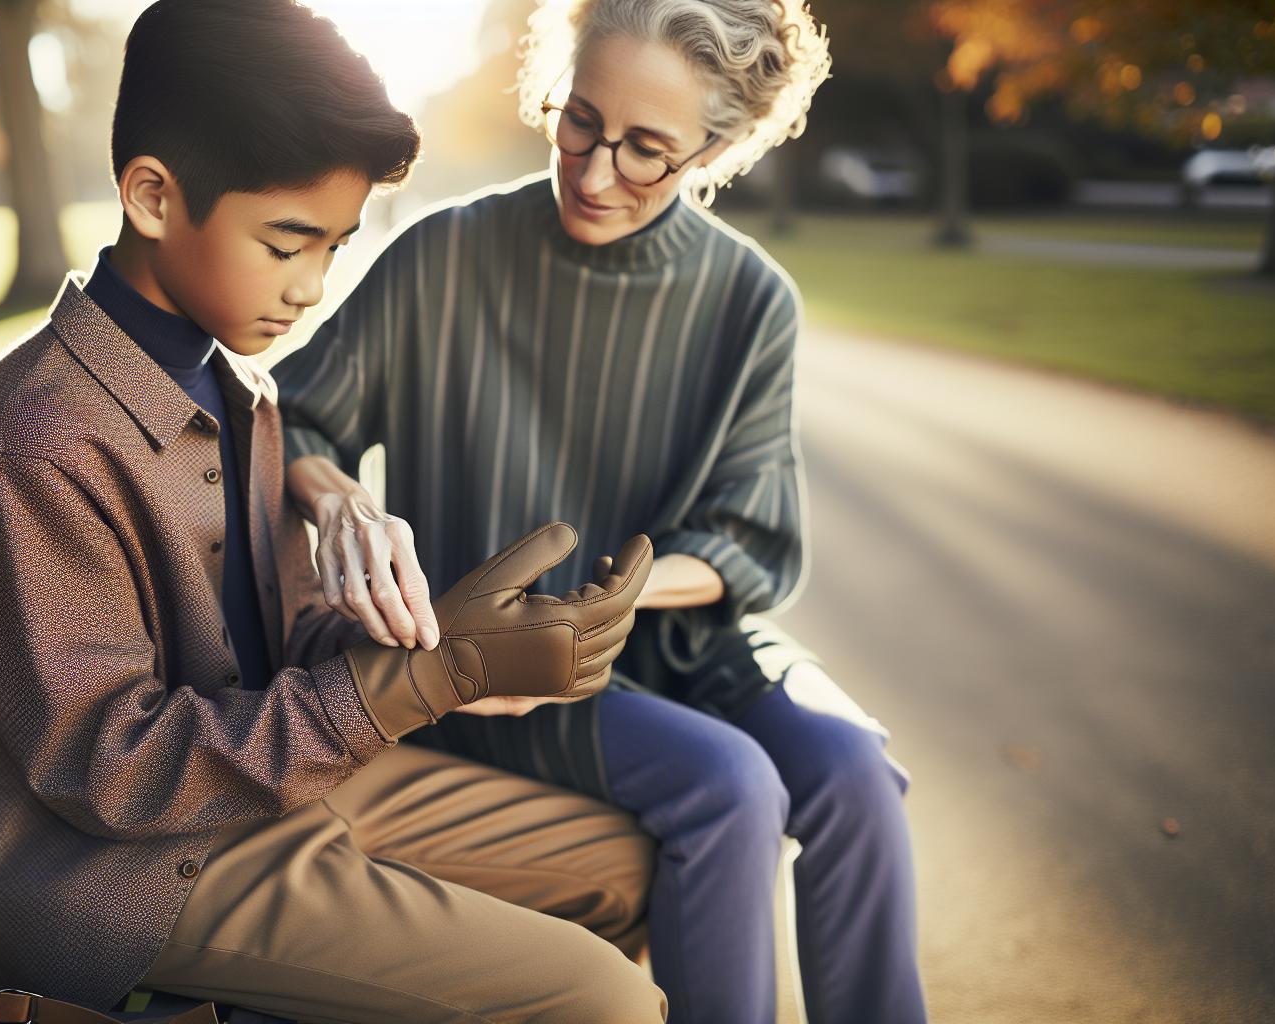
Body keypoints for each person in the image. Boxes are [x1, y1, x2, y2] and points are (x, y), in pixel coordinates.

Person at [0, 2, 667, 1021]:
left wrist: (452, 644)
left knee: (622, 864)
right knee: (601, 1003)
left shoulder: (240, 393)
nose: (312, 287)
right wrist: (418, 680)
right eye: (287, 242)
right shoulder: (39, 440)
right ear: (152, 197)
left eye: (337, 246)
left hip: (271, 790)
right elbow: (112, 768)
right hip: (116, 877)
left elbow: (280, 643)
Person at [272, 0, 928, 1021]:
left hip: (678, 648)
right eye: (578, 120)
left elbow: (749, 539)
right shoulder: (445, 257)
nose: (591, 171)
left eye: (645, 150)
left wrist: (611, 601)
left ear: (716, 147)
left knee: (853, 772)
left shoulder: (751, 299)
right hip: (496, 676)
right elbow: (294, 420)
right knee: (734, 788)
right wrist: (345, 501)